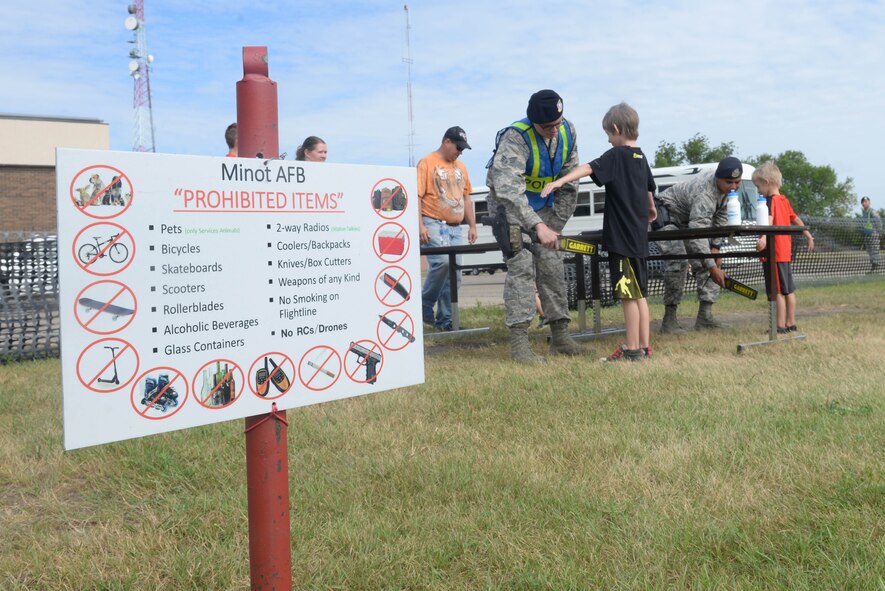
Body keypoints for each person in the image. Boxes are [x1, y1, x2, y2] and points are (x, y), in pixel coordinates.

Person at [542, 102, 656, 361]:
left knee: (627, 296)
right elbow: (649, 188)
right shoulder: (641, 157)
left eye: (608, 133)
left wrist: (559, 181)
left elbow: (588, 168)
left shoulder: (616, 155)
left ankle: (631, 349)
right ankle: (645, 347)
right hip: (638, 237)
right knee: (640, 296)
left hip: (622, 239)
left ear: (616, 129)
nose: (607, 138)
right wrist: (651, 208)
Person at [485, 89, 583, 362]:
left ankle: (560, 337)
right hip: (510, 212)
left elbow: (569, 182)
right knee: (522, 269)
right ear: (534, 122)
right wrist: (537, 225)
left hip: (547, 213)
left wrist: (554, 224)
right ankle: (519, 345)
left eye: (558, 123)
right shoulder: (515, 138)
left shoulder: (568, 131)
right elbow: (507, 191)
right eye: (547, 127)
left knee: (552, 268)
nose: (554, 130)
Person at [656, 156, 741, 333]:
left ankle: (705, 317)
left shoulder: (726, 192)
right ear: (718, 179)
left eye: (737, 182)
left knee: (707, 261)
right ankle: (669, 321)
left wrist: (715, 248)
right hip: (667, 218)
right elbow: (698, 232)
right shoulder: (706, 193)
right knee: (678, 262)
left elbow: (720, 217)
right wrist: (712, 266)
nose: (733, 187)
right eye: (729, 182)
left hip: (688, 223)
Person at [418, 126, 477, 331]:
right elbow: (417, 196)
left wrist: (472, 225)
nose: (460, 151)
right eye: (458, 147)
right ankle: (424, 304)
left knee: (455, 273)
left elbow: (466, 197)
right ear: (447, 142)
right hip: (433, 221)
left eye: (463, 149)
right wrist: (420, 225)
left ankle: (446, 320)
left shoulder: (461, 166)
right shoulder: (427, 163)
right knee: (442, 262)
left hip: (456, 226)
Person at [753, 161, 814, 333]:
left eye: (758, 186)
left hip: (774, 253)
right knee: (789, 290)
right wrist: (808, 234)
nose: (758, 190)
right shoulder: (784, 200)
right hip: (785, 253)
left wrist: (763, 238)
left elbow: (769, 221)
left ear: (766, 182)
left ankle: (779, 326)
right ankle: (791, 323)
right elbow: (795, 218)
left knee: (776, 290)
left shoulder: (769, 201)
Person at [860, 196, 881, 272]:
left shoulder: (872, 211)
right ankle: (873, 267)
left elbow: (878, 222)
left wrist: (879, 232)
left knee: (874, 250)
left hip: (873, 234)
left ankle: (876, 267)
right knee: (869, 251)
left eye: (866, 201)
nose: (864, 203)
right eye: (863, 202)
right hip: (867, 235)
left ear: (869, 202)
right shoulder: (864, 213)